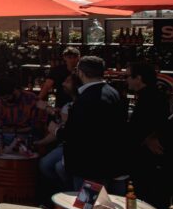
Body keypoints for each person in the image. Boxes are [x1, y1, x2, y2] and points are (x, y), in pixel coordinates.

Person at [51, 55, 128, 192]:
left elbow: (74, 133)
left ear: (81, 72)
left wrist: (56, 130)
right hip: (110, 161)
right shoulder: (113, 93)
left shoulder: (85, 99)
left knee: (88, 204)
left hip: (89, 165)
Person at [125, 62, 170, 199]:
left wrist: (150, 137)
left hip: (147, 159)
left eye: (128, 76)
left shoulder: (151, 98)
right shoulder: (151, 95)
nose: (126, 80)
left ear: (138, 78)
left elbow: (142, 127)